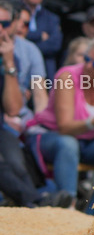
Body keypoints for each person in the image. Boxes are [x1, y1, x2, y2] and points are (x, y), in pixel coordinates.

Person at [24, 35, 94, 207]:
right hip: (50, 136)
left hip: (89, 143)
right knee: (68, 143)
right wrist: (93, 121)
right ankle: (67, 205)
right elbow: (64, 127)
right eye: (87, 59)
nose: (88, 66)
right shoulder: (67, 76)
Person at [1, 34, 72, 208]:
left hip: (4, 128)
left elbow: (14, 108)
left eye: (5, 23)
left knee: (18, 163)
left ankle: (36, 201)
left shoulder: (12, 58)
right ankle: (36, 201)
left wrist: (9, 64)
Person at [0, 1, 48, 126]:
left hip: (21, 117)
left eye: (4, 24)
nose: (0, 28)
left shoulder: (28, 51)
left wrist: (40, 124)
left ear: (14, 22)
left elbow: (40, 94)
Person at [18, 0, 62, 79]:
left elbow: (54, 45)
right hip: (18, 74)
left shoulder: (52, 18)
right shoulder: (13, 12)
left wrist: (25, 41)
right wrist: (39, 36)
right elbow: (11, 36)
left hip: (45, 76)